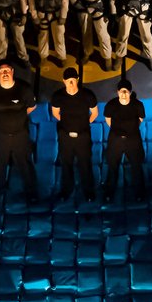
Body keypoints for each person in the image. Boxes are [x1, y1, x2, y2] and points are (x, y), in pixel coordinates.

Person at [0, 61, 37, 201]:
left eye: (7, 71)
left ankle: (31, 192)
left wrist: (18, 119)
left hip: (20, 134)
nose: (5, 73)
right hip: (0, 134)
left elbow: (31, 107)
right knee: (0, 163)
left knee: (25, 163)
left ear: (12, 72)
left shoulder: (24, 89)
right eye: (2, 71)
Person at [50, 67, 99, 202]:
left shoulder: (88, 95)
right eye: (68, 81)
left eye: (73, 80)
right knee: (66, 165)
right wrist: (66, 123)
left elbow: (95, 113)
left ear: (77, 80)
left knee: (85, 165)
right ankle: (66, 191)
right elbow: (55, 113)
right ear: (64, 81)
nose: (71, 83)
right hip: (65, 137)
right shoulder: (57, 96)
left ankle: (89, 192)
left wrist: (84, 123)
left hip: (83, 136)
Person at [102, 79, 147, 203]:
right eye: (121, 91)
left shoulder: (138, 105)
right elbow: (108, 119)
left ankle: (139, 194)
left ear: (130, 92)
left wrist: (130, 130)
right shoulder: (111, 104)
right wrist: (118, 132)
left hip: (133, 140)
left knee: (136, 168)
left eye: (126, 92)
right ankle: (109, 194)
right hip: (115, 140)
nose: (124, 94)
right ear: (117, 92)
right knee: (112, 168)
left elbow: (140, 119)